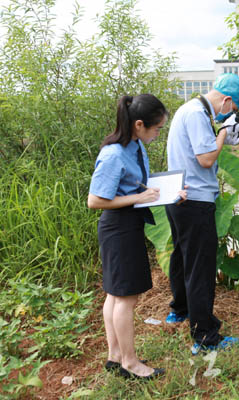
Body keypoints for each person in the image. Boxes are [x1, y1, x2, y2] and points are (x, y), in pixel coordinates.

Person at [88, 94, 186, 380]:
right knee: (125, 298)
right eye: (156, 129)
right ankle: (130, 363)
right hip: (117, 229)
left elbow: (142, 185)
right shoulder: (113, 154)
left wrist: (169, 192)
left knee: (115, 295)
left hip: (129, 224)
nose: (158, 134)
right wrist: (137, 197)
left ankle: (115, 356)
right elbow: (95, 200)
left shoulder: (136, 147)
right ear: (139, 124)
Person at [165, 73, 239, 355]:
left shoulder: (186, 108)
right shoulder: (200, 114)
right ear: (227, 101)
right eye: (233, 109)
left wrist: (222, 130)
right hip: (196, 200)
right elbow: (206, 159)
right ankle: (205, 337)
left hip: (178, 196)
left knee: (182, 257)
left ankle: (180, 310)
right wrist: (225, 131)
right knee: (200, 268)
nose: (231, 113)